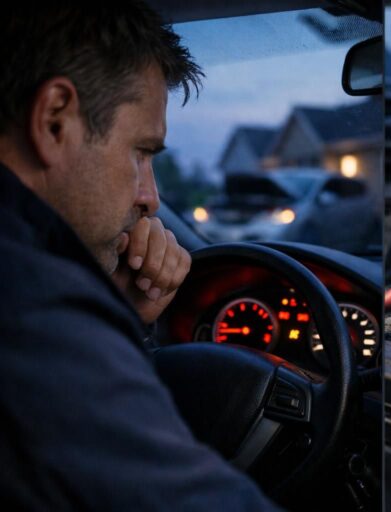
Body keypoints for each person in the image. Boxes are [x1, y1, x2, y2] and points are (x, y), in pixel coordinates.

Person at [0, 2, 279, 509]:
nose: (150, 197)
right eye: (142, 152)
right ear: (55, 120)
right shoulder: (32, 310)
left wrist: (115, 312)